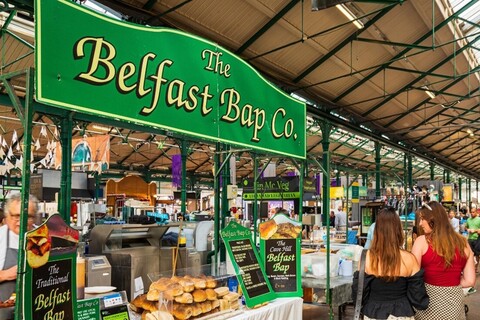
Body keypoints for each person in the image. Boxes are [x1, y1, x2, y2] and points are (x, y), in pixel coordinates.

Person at [352, 207, 429, 319]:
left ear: (376, 231)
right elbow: (419, 300)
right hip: (402, 313)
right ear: (398, 230)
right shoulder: (409, 259)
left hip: (373, 313)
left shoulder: (366, 257)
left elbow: (358, 295)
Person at [412, 201, 476, 320]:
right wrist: (451, 284)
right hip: (454, 306)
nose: (420, 224)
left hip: (428, 304)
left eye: (422, 219)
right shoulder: (463, 243)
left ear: (432, 219)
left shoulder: (421, 242)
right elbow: (470, 281)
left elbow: (413, 276)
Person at [0, 193, 39, 302]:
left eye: (28, 216)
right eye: (16, 216)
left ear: (35, 218)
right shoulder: (1, 237)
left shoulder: (43, 238)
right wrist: (6, 275)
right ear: (7, 217)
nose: (22, 221)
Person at [465, 206, 480, 273]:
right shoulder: (468, 220)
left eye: (473, 212)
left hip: (477, 239)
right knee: (470, 254)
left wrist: (475, 230)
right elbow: (465, 227)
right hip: (470, 239)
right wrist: (467, 229)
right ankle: (471, 267)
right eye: (471, 212)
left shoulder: (479, 219)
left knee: (477, 254)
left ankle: (476, 267)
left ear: (476, 212)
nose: (472, 213)